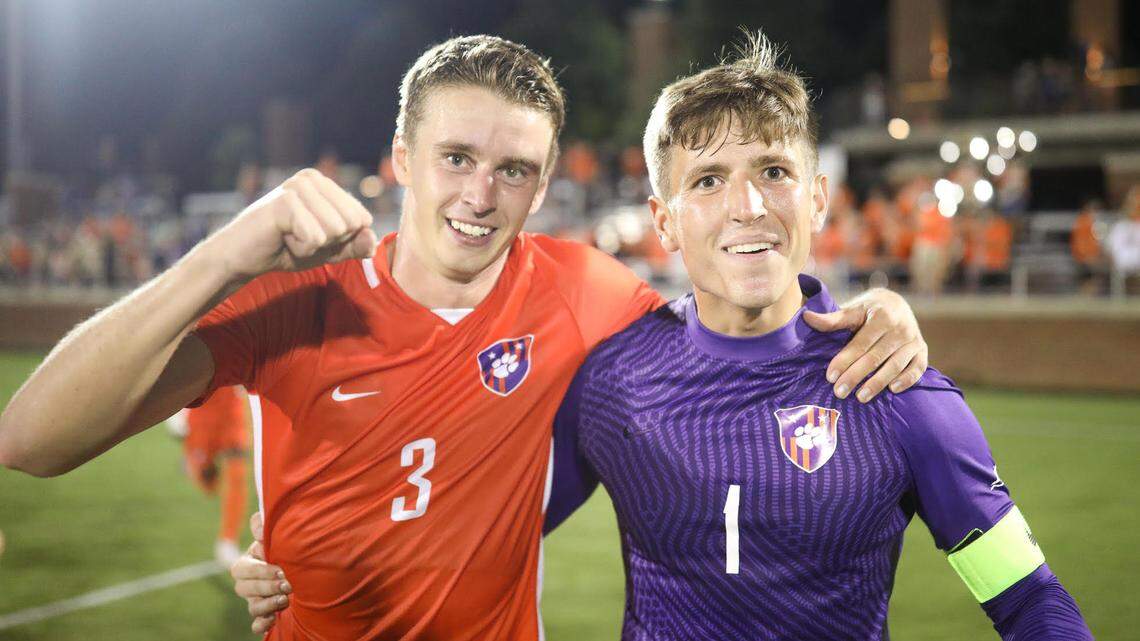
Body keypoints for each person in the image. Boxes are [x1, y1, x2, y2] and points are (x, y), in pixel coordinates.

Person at [0, 36, 927, 640]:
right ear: (401, 158)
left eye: (513, 170)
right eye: (455, 158)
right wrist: (225, 256)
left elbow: (734, 326)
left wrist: (873, 307)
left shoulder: (583, 292)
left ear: (544, 181)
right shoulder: (297, 294)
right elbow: (31, 439)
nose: (481, 196)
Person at [166, 385, 251, 566]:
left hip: (231, 412)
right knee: (208, 485)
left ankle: (228, 541)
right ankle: (193, 464)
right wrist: (174, 411)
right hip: (201, 416)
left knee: (238, 475)